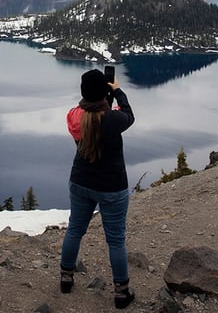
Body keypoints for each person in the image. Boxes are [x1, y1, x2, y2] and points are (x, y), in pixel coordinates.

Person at [59, 68, 136, 309]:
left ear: (83, 93)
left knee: (75, 230)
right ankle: (121, 293)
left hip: (81, 183)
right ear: (104, 93)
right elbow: (128, 115)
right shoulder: (113, 120)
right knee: (115, 241)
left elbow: (90, 112)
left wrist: (101, 97)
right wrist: (117, 90)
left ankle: (66, 278)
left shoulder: (74, 116)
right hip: (112, 188)